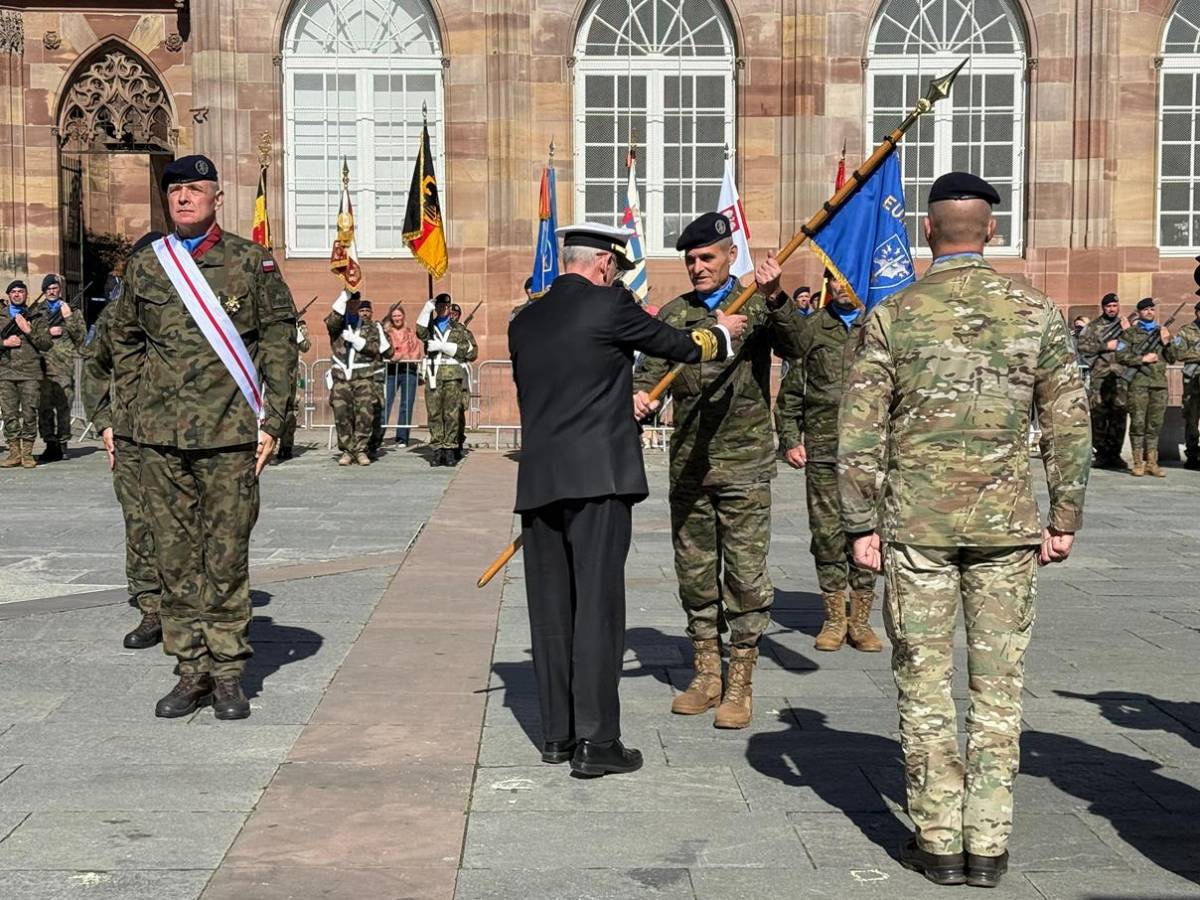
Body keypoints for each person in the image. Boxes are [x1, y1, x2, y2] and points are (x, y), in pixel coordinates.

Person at [838, 172, 1091, 889]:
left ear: (927, 232)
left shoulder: (893, 316)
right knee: (998, 687)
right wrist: (1064, 516)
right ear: (987, 232)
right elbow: (1070, 423)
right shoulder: (1035, 312)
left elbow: (856, 430)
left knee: (922, 682)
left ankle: (940, 837)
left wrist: (860, 523)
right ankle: (989, 843)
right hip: (1007, 528)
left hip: (914, 526)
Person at [509, 222, 747, 777]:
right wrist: (723, 329)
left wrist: (621, 402)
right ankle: (597, 742)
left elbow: (562, 392)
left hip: (541, 482)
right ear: (601, 265)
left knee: (550, 613)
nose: (615, 274)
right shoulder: (609, 305)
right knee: (597, 609)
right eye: (613, 267)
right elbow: (683, 346)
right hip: (597, 480)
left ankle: (556, 736)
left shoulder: (525, 321)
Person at [108, 154, 297, 720]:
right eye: (175, 191)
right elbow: (123, 342)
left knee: (225, 555)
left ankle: (230, 673)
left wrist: (274, 420)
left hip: (229, 437)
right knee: (174, 557)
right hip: (161, 440)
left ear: (217, 196)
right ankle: (190, 670)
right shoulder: (148, 267)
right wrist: (130, 414)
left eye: (195, 189)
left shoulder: (249, 262)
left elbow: (278, 342)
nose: (183, 198)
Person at [633, 211, 803, 730]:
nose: (697, 267)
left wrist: (774, 297)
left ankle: (740, 680)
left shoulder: (752, 306)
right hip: (688, 465)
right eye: (690, 259)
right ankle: (707, 672)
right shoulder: (674, 314)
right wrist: (638, 395)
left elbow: (798, 346)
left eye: (707, 257)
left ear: (732, 256)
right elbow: (649, 371)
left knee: (747, 576)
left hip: (744, 464)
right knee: (695, 573)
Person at [776, 276, 881, 654]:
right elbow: (792, 389)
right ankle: (835, 617)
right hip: (823, 449)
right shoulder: (813, 328)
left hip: (870, 452)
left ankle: (862, 619)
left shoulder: (879, 324)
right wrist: (789, 437)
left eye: (847, 278)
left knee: (868, 531)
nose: (840, 286)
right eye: (834, 279)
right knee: (827, 532)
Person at [80, 233, 165, 648]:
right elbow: (94, 369)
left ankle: (189, 603)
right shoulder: (115, 315)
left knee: (188, 521)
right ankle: (151, 605)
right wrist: (105, 423)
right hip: (131, 436)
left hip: (181, 435)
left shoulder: (193, 312)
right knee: (139, 519)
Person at [1117, 298, 1177, 477]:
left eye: (1152, 309)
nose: (1149, 312)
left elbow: (1173, 358)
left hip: (1159, 385)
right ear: (1140, 312)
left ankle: (1152, 462)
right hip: (1139, 384)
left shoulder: (1162, 332)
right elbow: (1121, 356)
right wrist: (1142, 359)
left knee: (1154, 425)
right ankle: (1137, 462)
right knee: (1138, 423)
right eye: (1146, 310)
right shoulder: (1130, 334)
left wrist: (1167, 342)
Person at [416, 293, 477, 466]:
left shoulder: (459, 328)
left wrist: (445, 347)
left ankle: (450, 449)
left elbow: (471, 351)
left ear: (449, 308)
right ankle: (437, 449)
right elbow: (420, 332)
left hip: (453, 375)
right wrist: (425, 310)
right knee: (434, 413)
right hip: (434, 374)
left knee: (451, 414)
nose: (442, 309)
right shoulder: (430, 327)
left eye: (445, 306)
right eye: (439, 306)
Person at [326, 292, 385, 466]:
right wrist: (343, 295)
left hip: (363, 378)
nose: (352, 304)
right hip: (341, 378)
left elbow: (375, 348)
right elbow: (331, 321)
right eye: (350, 301)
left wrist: (358, 341)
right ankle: (347, 450)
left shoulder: (369, 326)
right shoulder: (338, 325)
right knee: (341, 414)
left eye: (355, 301)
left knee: (364, 415)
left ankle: (360, 450)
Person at [0, 280, 52, 468]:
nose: (16, 294)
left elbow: (46, 344)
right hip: (6, 372)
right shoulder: (1, 315)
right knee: (9, 414)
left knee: (30, 413)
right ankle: (14, 453)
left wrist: (28, 330)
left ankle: (27, 454)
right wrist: (4, 343)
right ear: (8, 295)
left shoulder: (37, 316)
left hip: (30, 372)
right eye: (13, 292)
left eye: (20, 291)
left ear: (26, 295)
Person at [1075, 294, 1130, 469]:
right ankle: (1101, 454)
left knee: (1119, 415)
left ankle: (1115, 454)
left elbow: (1136, 346)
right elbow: (1082, 347)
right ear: (1103, 307)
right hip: (1100, 376)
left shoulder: (1124, 325)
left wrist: (1128, 331)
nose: (1112, 309)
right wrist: (1106, 346)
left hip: (1120, 377)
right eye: (1108, 306)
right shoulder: (1093, 327)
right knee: (1099, 415)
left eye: (1115, 305)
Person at [36, 274, 85, 462]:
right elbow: (30, 335)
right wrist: (47, 332)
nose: (51, 291)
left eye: (55, 287)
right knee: (44, 407)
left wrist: (68, 319)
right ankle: (50, 444)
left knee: (64, 407)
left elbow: (81, 337)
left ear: (59, 289)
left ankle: (63, 444)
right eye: (48, 288)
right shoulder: (37, 312)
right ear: (44, 290)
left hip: (64, 366)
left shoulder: (71, 310)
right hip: (42, 366)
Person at [381, 303, 423, 447]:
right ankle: (378, 436)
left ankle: (402, 438)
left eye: (399, 315)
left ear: (403, 316)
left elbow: (417, 351)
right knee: (385, 403)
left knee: (406, 404)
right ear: (391, 318)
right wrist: (397, 355)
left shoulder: (410, 332)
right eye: (394, 316)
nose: (397, 318)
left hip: (408, 370)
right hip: (391, 370)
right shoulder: (387, 332)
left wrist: (406, 356)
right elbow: (385, 350)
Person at [276, 318, 311, 461]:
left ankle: (286, 446)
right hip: (275, 375)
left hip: (292, 376)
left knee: (291, 411)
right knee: (275, 410)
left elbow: (305, 346)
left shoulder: (298, 329)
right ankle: (271, 442)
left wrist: (299, 331)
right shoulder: (275, 328)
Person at [1173, 301, 1200, 469]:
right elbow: (1178, 352)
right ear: (1196, 312)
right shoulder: (1186, 331)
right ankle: (1192, 455)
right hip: (1193, 383)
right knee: (1191, 418)